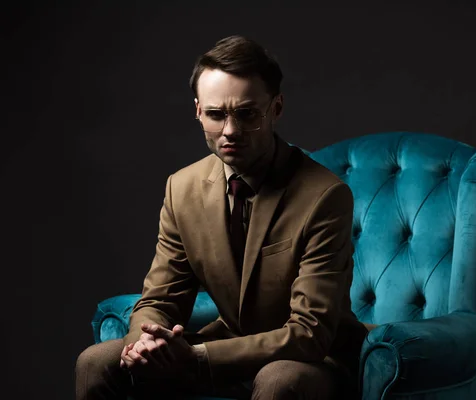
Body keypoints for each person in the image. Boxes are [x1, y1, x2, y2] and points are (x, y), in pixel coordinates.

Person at [75, 35, 368, 400]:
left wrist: (197, 356)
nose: (230, 131)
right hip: (227, 344)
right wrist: (143, 345)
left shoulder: (325, 196)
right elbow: (161, 299)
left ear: (276, 109)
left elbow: (309, 332)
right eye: (215, 115)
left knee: (279, 380)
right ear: (198, 111)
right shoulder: (181, 188)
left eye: (246, 114)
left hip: (311, 359)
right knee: (96, 361)